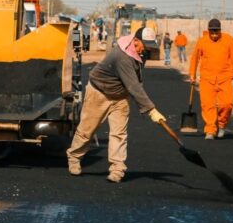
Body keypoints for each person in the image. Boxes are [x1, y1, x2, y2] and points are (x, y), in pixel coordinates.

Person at [66, 27, 167, 183]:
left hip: (121, 96)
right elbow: (134, 86)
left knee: (119, 134)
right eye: (144, 46)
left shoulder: (141, 52)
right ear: (135, 40)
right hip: (99, 92)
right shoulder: (122, 56)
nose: (146, 50)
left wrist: (143, 103)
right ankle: (74, 157)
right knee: (87, 130)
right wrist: (151, 109)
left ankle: (117, 169)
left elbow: (136, 80)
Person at [188, 19, 233, 140]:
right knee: (207, 105)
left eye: (216, 32)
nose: (214, 35)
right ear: (208, 31)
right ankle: (210, 130)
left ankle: (222, 123)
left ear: (220, 30)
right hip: (207, 79)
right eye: (212, 32)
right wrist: (192, 74)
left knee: (227, 104)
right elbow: (195, 58)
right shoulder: (202, 41)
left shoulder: (228, 40)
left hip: (224, 78)